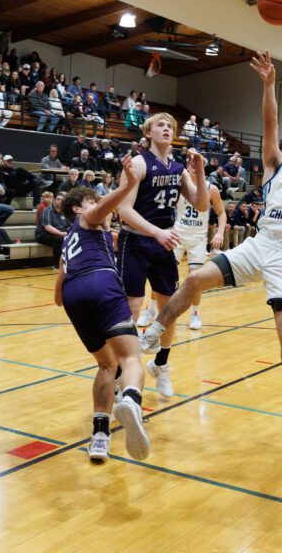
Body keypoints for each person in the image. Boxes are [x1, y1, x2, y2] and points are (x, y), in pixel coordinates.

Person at [139, 51, 282, 430]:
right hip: (258, 245)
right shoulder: (275, 169)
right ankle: (155, 333)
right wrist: (269, 84)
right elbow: (271, 122)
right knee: (193, 280)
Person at [55, 154, 150, 462]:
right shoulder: (87, 219)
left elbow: (57, 295)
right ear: (77, 208)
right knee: (131, 356)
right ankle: (132, 401)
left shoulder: (70, 241)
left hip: (73, 297)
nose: (98, 206)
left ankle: (100, 435)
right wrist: (131, 183)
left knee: (106, 365)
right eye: (92, 201)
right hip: (100, 284)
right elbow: (104, 207)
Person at [116, 113, 208, 398]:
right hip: (136, 241)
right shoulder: (139, 163)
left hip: (163, 243)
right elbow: (124, 210)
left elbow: (201, 204)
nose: (167, 129)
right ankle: (123, 374)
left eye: (171, 125)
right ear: (148, 132)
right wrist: (157, 232)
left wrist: (201, 172)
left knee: (170, 310)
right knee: (131, 308)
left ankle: (161, 365)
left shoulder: (180, 168)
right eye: (161, 125)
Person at [137, 166, 226, 331]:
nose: (193, 168)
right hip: (176, 235)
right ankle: (150, 310)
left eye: (196, 165)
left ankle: (195, 314)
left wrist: (220, 233)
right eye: (190, 165)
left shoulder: (210, 188)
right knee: (161, 274)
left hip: (198, 239)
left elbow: (221, 213)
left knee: (195, 277)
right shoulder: (177, 185)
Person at [36, 191, 71, 269]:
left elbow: (70, 225)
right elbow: (47, 227)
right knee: (59, 239)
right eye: (58, 199)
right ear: (54, 200)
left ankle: (70, 262)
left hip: (59, 233)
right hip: (44, 234)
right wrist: (61, 233)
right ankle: (57, 264)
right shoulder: (47, 210)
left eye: (62, 200)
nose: (60, 201)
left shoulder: (64, 211)